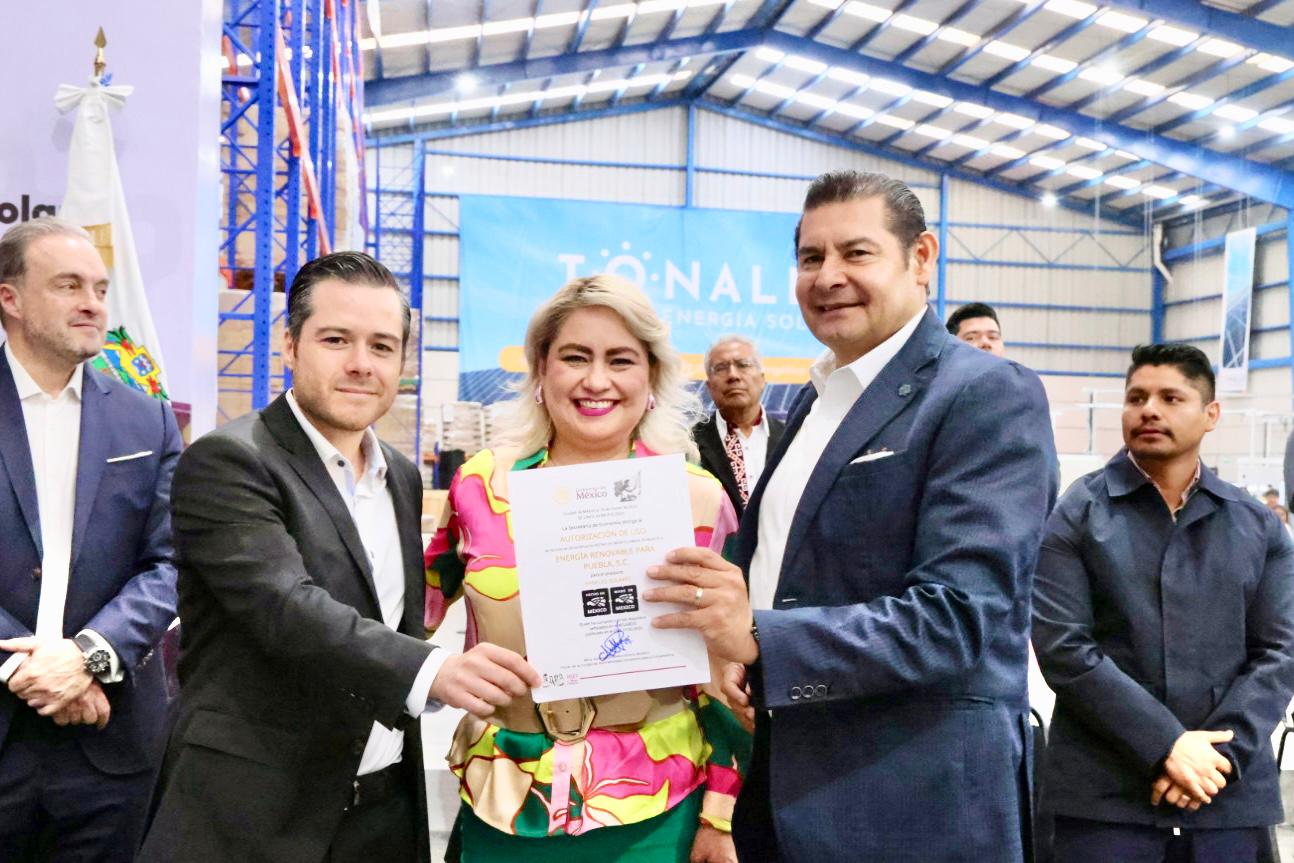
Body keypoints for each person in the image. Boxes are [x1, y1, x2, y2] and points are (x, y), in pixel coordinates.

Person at [645, 170, 1058, 862]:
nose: (828, 276)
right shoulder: (817, 401)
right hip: (790, 792)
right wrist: (734, 645)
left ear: (921, 257)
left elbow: (957, 617)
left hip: (914, 807)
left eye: (856, 253)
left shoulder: (984, 394)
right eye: (811, 257)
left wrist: (761, 638)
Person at [138, 252, 539, 863]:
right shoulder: (231, 462)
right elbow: (285, 607)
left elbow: (396, 618)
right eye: (336, 340)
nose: (361, 364)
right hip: (254, 813)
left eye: (382, 346)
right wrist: (434, 671)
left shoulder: (399, 477)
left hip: (380, 813)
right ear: (290, 345)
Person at [424, 274, 750, 863]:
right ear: (541, 370)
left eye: (620, 360)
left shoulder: (696, 499)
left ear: (651, 377)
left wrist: (721, 816)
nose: (596, 381)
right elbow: (409, 615)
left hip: (657, 810)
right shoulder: (481, 486)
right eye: (575, 357)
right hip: (506, 803)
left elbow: (726, 669)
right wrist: (439, 670)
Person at [1032, 343, 1294, 863]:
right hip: (1106, 798)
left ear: (1211, 414)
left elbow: (1280, 653)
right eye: (1136, 398)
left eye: (1171, 398)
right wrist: (1166, 745)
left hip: (1226, 797)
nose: (1148, 410)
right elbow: (1064, 648)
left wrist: (1218, 758)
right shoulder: (1077, 514)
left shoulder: (1257, 525)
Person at [0, 218, 180, 861]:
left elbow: (172, 561)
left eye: (100, 289)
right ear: (10, 298)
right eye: (68, 285)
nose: (93, 304)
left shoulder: (147, 420)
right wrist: (23, 667)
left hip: (110, 743)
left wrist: (87, 658)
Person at [693, 335, 785, 516]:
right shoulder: (688, 443)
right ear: (709, 387)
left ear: (762, 379)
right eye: (721, 368)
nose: (733, 375)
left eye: (743, 365)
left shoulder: (792, 438)